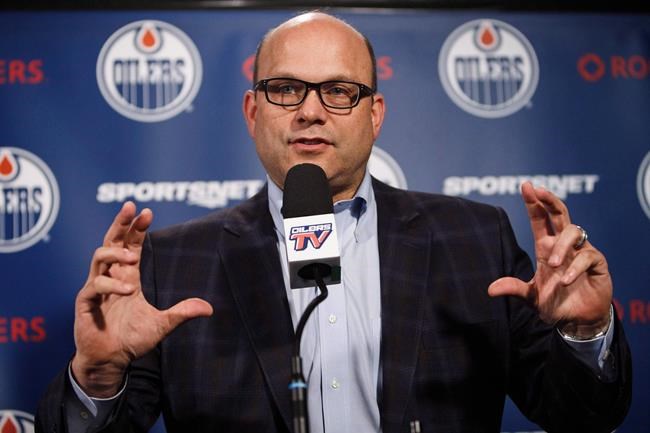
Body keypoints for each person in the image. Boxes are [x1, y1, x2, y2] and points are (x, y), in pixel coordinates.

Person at [36, 11, 631, 433]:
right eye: (286, 88)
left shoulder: (475, 238)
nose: (312, 111)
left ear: (375, 115)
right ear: (252, 111)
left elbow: (581, 417)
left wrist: (584, 336)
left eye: (339, 91)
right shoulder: (175, 260)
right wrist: (99, 375)